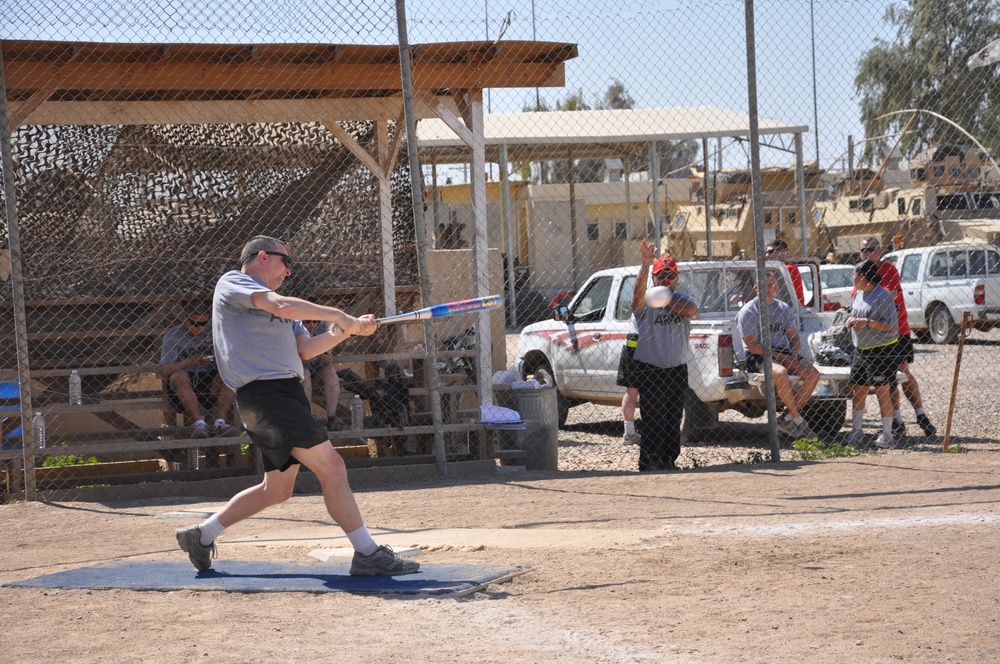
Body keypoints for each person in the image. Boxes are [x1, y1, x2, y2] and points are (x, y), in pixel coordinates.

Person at [175, 235, 418, 577]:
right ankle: (367, 553)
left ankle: (201, 535)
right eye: (284, 262)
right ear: (262, 257)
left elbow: (306, 349)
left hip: (280, 394)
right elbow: (282, 305)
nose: (288, 271)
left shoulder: (283, 308)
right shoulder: (234, 283)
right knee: (332, 467)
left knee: (276, 489)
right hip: (266, 393)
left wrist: (348, 329)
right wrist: (338, 314)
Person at [628, 239, 699, 471]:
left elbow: (690, 311)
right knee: (654, 420)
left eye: (670, 276)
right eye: (661, 276)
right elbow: (636, 300)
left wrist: (665, 298)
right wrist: (645, 265)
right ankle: (649, 463)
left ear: (677, 279)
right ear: (654, 279)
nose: (666, 280)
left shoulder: (684, 300)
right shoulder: (647, 302)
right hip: (651, 369)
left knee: (672, 421)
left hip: (676, 369)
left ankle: (669, 462)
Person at [857, 237, 937, 438]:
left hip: (896, 330)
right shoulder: (859, 273)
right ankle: (897, 419)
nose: (867, 253)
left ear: (879, 250)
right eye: (863, 250)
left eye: (871, 249)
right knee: (887, 378)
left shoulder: (887, 270)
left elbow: (888, 295)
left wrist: (868, 314)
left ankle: (921, 414)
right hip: (873, 335)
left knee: (902, 370)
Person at [736, 270, 820, 439]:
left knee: (813, 374)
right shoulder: (749, 311)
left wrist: (794, 356)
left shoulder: (783, 308)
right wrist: (783, 358)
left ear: (777, 287)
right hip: (759, 354)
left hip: (784, 352)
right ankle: (797, 419)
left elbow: (794, 338)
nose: (769, 288)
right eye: (765, 285)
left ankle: (788, 418)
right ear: (756, 288)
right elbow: (752, 346)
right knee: (781, 373)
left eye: (772, 285)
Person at [160, 304, 239, 440]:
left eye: (203, 323)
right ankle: (199, 424)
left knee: (230, 373)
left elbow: (232, 358)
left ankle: (220, 423)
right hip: (186, 380)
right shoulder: (173, 335)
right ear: (185, 319)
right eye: (194, 323)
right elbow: (166, 369)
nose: (199, 328)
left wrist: (218, 360)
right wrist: (191, 361)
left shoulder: (214, 332)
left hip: (210, 379)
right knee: (178, 376)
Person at [845, 260, 899, 449]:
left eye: (854, 275)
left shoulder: (882, 296)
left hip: (882, 349)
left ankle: (887, 434)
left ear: (862, 276)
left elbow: (892, 326)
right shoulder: (858, 293)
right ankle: (857, 431)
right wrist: (851, 320)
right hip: (861, 349)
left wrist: (867, 322)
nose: (853, 278)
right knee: (858, 390)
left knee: (882, 391)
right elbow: (857, 314)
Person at [302, 320, 347, 431]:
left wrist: (326, 361)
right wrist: (304, 359)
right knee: (305, 372)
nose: (312, 325)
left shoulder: (324, 327)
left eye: (315, 321)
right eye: (307, 322)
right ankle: (307, 419)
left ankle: (331, 418)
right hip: (300, 377)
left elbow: (324, 364)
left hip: (317, 378)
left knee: (330, 370)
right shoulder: (295, 327)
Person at [616, 313, 640, 445]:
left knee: (631, 389)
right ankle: (655, 433)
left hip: (632, 339)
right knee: (654, 388)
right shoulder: (664, 295)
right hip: (651, 340)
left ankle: (629, 433)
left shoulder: (640, 295)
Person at [765, 240, 806, 306]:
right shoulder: (777, 269)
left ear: (782, 252)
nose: (767, 255)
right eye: (766, 252)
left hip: (791, 310)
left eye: (770, 252)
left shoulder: (788, 269)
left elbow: (778, 292)